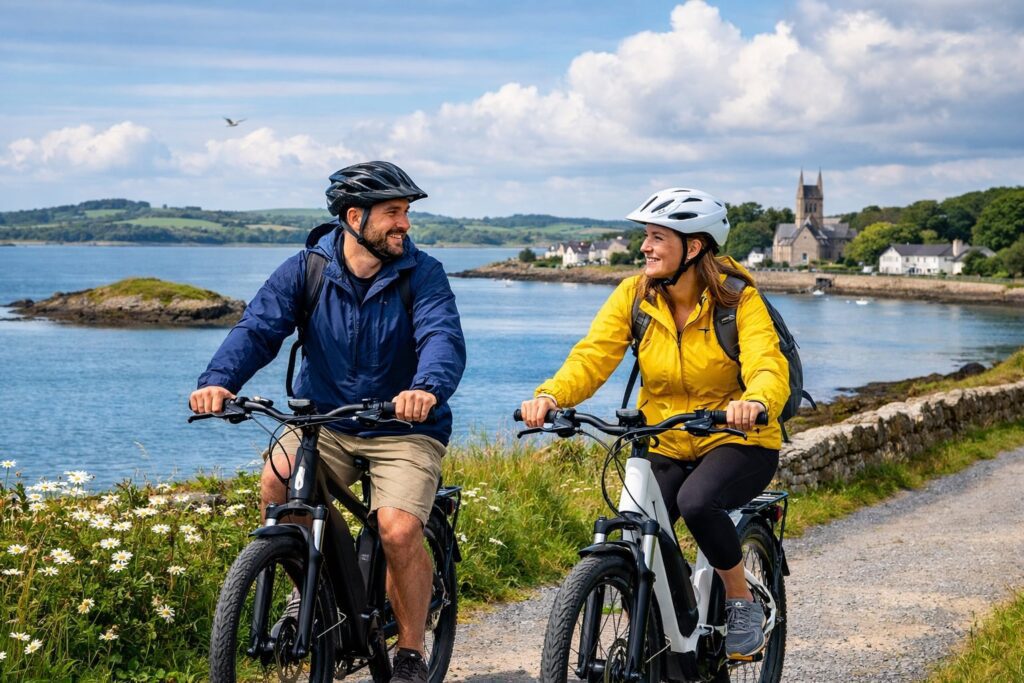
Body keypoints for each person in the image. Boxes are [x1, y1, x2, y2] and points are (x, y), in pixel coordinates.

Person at [190, 161, 466, 683]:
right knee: (277, 480)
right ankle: (308, 594)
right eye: (393, 213)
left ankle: (409, 652)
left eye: (406, 212)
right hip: (327, 421)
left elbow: (442, 339)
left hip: (402, 427)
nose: (404, 224)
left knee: (397, 528)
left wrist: (424, 390)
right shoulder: (307, 269)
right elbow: (257, 329)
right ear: (353, 217)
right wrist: (220, 381)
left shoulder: (422, 273)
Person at [520, 187, 789, 660]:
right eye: (645, 236)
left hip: (737, 436)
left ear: (695, 246)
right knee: (638, 526)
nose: (644, 247)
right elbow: (593, 356)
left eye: (657, 237)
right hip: (663, 438)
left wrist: (757, 401)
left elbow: (767, 364)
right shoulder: (635, 295)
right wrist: (551, 395)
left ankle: (740, 602)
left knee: (698, 501)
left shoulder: (738, 300)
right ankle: (673, 618)